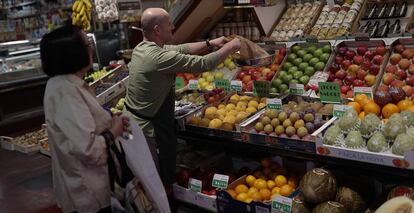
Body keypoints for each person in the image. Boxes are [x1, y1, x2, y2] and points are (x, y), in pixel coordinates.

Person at [123, 7, 241, 189]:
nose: (173, 26)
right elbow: (204, 63)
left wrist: (210, 43)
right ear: (157, 30)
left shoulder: (143, 47)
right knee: (153, 185)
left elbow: (181, 48)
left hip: (134, 121)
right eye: (169, 24)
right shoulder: (157, 58)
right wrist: (231, 47)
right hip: (145, 130)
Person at [41, 25, 128, 213]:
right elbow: (87, 149)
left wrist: (111, 120)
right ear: (73, 53)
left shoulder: (70, 84)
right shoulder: (65, 91)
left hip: (92, 185)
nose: (91, 48)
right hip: (87, 191)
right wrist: (114, 131)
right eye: (87, 43)